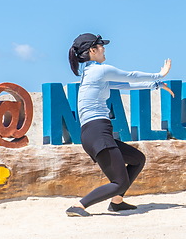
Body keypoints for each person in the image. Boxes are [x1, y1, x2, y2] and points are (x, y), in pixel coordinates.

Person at [65, 33, 172, 217]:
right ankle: (78, 205)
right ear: (92, 50)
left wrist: (156, 85)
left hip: (96, 132)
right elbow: (131, 76)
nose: (104, 48)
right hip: (97, 132)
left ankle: (117, 202)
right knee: (119, 182)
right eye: (101, 46)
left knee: (138, 159)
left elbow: (126, 85)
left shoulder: (91, 73)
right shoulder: (99, 70)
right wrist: (159, 73)